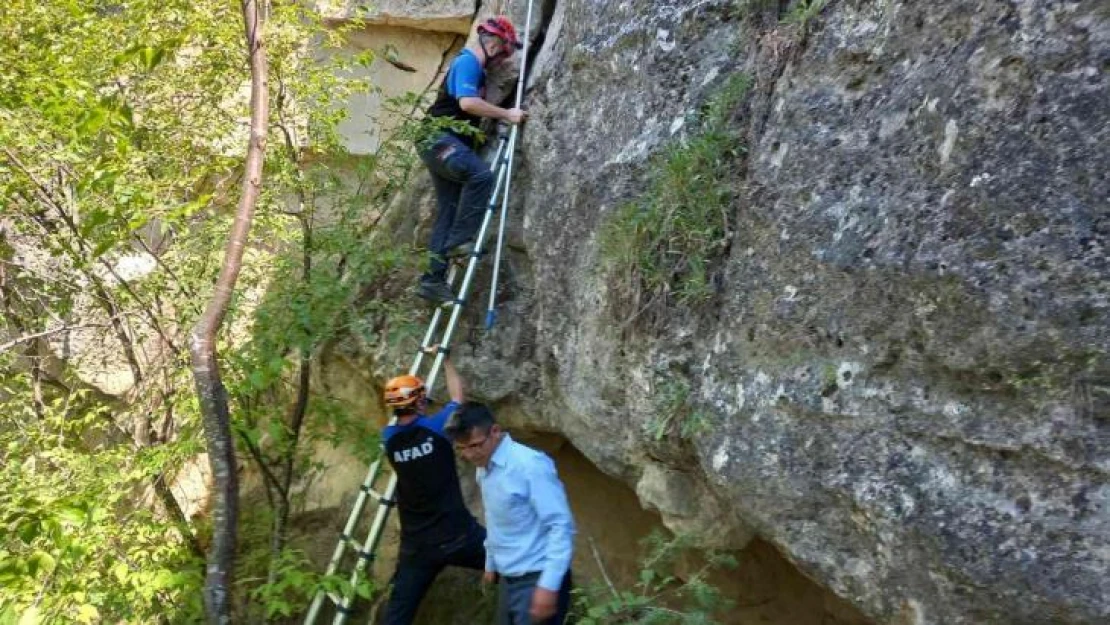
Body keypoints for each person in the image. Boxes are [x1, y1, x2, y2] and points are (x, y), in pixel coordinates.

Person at [416, 16, 529, 303]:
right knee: (480, 175)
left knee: (448, 210)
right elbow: (467, 103)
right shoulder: (467, 62)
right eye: (502, 48)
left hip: (440, 142)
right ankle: (460, 242)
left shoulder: (475, 68)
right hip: (439, 139)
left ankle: (432, 279)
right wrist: (507, 114)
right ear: (491, 41)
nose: (501, 55)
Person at [380, 348, 486, 625]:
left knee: (398, 615)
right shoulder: (437, 429)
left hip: (418, 547)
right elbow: (457, 399)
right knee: (517, 566)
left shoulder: (389, 439)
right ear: (417, 403)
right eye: (422, 398)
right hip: (459, 536)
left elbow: (403, 423)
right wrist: (445, 358)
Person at [445, 403, 576, 625]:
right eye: (461, 448)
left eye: (475, 445)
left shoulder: (529, 465)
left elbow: (560, 525)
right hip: (509, 579)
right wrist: (491, 562)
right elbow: (495, 517)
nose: (469, 454)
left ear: (495, 431)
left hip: (538, 576)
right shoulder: (484, 466)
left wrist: (548, 585)